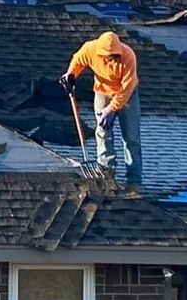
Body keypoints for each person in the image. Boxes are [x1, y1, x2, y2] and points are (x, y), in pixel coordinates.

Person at [60, 31, 142, 187]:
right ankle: (106, 171)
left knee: (131, 137)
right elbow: (78, 60)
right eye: (109, 56)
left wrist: (111, 109)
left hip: (127, 95)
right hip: (102, 91)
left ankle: (134, 181)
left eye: (115, 55)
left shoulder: (128, 55)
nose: (112, 59)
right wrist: (71, 74)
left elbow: (126, 89)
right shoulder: (90, 49)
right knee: (102, 131)